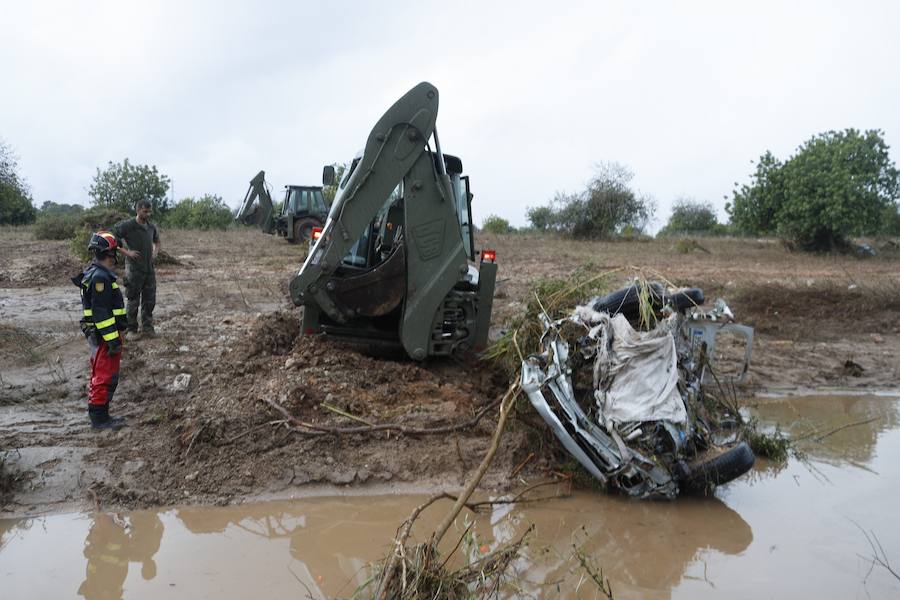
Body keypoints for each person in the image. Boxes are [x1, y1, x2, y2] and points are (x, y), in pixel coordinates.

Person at [72, 231, 128, 429]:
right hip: (104, 337)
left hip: (103, 336)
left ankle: (102, 415)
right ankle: (99, 419)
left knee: (103, 374)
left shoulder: (96, 274)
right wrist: (112, 339)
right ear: (109, 253)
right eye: (115, 251)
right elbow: (100, 313)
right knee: (103, 376)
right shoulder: (100, 278)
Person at [112, 199, 161, 336]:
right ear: (137, 210)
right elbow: (112, 238)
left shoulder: (151, 227)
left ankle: (147, 328)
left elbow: (157, 242)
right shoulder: (128, 225)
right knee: (133, 300)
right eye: (145, 211)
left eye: (149, 211)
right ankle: (131, 329)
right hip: (134, 270)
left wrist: (155, 254)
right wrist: (127, 252)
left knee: (150, 299)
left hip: (149, 270)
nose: (148, 214)